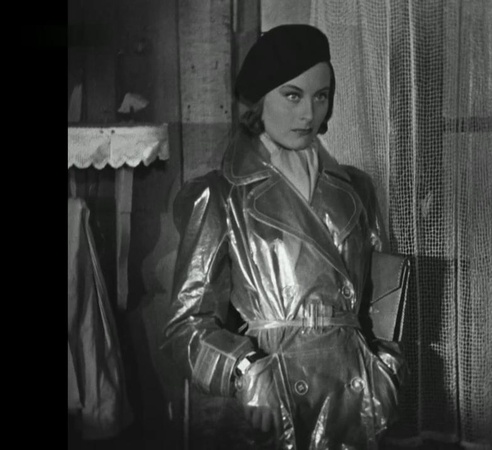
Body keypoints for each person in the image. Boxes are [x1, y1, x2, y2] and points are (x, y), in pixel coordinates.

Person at [162, 24, 405, 449]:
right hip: (274, 402)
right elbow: (186, 326)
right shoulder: (222, 195)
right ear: (261, 101)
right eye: (292, 96)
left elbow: (385, 300)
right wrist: (246, 371)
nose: (309, 113)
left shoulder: (357, 189)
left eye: (321, 96)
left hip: (356, 401)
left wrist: (387, 372)